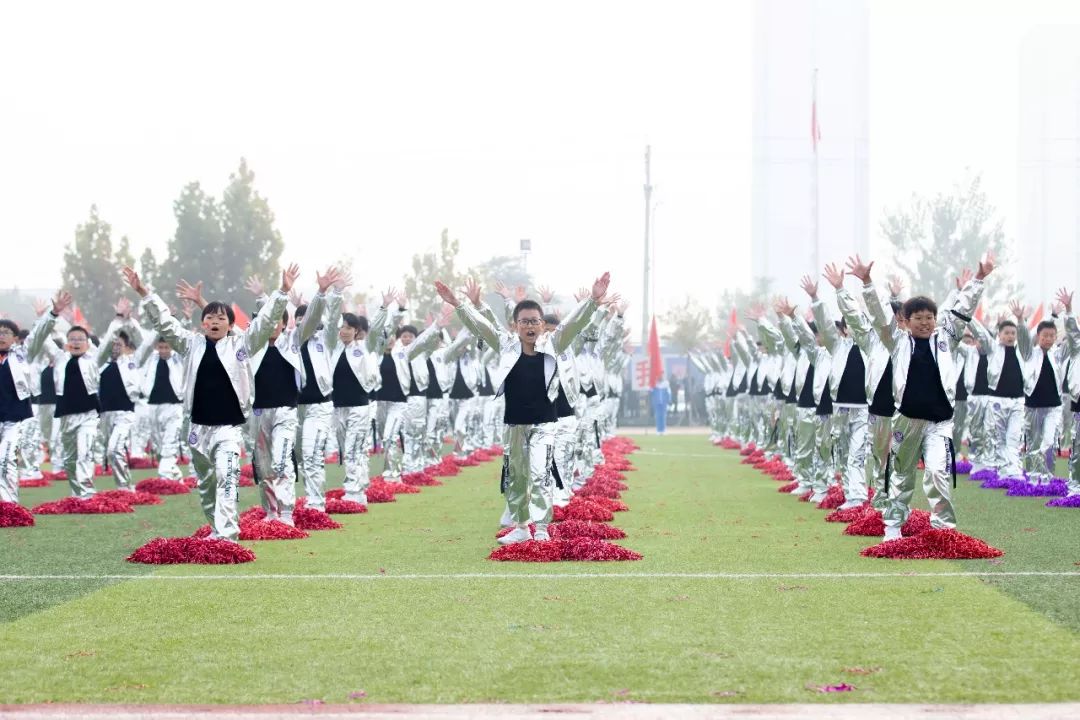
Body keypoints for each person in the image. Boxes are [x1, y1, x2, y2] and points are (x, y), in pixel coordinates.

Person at [123, 263, 295, 541]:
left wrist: (283, 291)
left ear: (230, 324)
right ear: (202, 323)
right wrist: (144, 292)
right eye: (209, 318)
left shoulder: (241, 345)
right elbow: (164, 322)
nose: (214, 322)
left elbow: (265, 322)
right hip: (198, 427)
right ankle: (216, 530)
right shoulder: (190, 344)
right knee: (206, 485)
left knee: (228, 478)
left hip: (228, 428)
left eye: (220, 318)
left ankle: (228, 534)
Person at [435, 272, 611, 544]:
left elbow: (573, 325)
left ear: (542, 324)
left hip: (545, 423)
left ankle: (541, 529)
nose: (530, 326)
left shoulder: (554, 343)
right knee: (516, 478)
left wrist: (592, 300)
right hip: (514, 423)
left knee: (541, 475)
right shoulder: (505, 345)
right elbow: (481, 327)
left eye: (535, 321)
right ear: (515, 325)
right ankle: (520, 526)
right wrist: (459, 305)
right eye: (524, 321)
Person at [853, 253, 993, 540]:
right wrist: (867, 282)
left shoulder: (946, 338)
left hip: (939, 422)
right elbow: (880, 315)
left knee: (937, 473)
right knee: (902, 476)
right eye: (919, 318)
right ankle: (893, 528)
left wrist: (979, 279)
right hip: (906, 421)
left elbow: (964, 308)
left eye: (930, 317)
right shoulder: (898, 342)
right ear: (906, 321)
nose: (925, 323)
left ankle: (943, 530)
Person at [26, 290, 103, 499]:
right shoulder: (59, 357)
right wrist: (48, 315)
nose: (76, 342)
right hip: (66, 415)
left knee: (85, 453)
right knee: (69, 459)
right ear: (67, 342)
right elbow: (41, 338)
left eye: (80, 339)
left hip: (89, 414)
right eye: (72, 339)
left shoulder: (94, 359)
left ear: (88, 343)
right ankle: (78, 494)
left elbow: (104, 343)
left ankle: (87, 495)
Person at [1021, 290, 1078, 485]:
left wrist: (1068, 310)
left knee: (1049, 442)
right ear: (1038, 336)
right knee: (1033, 443)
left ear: (1055, 337)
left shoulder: (1058, 354)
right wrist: (1021, 320)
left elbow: (1073, 338)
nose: (1048, 339)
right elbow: (1023, 338)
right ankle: (1033, 477)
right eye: (1045, 335)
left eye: (1052, 336)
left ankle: (1047, 477)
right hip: (1033, 405)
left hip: (1054, 406)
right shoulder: (1030, 353)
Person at [969, 301, 1032, 479]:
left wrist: (1020, 319)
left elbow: (1026, 337)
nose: (1010, 336)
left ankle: (1014, 469)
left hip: (1018, 401)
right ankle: (1003, 469)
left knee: (1014, 436)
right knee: (998, 437)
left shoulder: (1023, 351)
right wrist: (968, 314)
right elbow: (979, 333)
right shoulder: (993, 349)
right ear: (1000, 334)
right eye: (1007, 333)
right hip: (997, 400)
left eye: (1013, 333)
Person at [0, 317, 37, 504]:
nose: (1, 336)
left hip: (13, 419)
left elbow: (38, 335)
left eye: (5, 332)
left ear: (15, 337)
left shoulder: (21, 354)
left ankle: (8, 506)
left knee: (5, 460)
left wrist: (51, 315)